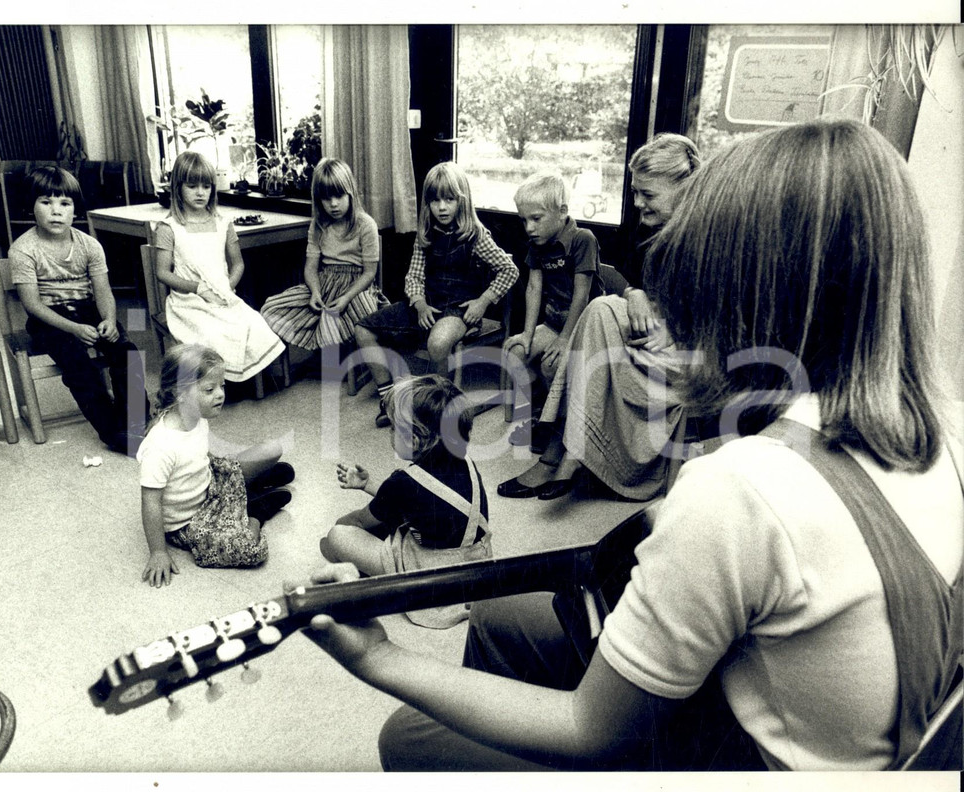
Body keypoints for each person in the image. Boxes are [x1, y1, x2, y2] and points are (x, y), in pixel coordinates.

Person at [300, 119, 963, 770]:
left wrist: (379, 657)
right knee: (503, 612)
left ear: (749, 292)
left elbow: (592, 730)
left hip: (729, 755)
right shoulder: (947, 428)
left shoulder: (745, 489)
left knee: (409, 738)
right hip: (799, 716)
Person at [498, 133, 701, 501]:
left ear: (685, 186)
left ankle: (562, 452)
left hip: (691, 352)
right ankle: (568, 450)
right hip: (650, 335)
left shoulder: (714, 237)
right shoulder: (649, 229)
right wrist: (635, 292)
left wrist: (675, 329)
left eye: (648, 194)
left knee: (596, 311)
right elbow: (620, 277)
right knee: (601, 308)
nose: (638, 202)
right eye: (636, 192)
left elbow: (727, 318)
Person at [354, 161, 518, 428]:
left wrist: (483, 301)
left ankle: (438, 405)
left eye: (449, 199)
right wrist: (418, 304)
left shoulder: (476, 236)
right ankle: (388, 399)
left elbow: (509, 270)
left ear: (461, 201)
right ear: (427, 203)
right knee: (363, 329)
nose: (442, 207)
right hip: (427, 304)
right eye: (435, 200)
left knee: (438, 343)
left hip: (459, 310)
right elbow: (414, 276)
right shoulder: (425, 235)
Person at [321, 374, 492, 627]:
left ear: (413, 440)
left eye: (392, 428)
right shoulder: (466, 463)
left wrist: (340, 534)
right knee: (393, 521)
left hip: (430, 577)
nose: (390, 433)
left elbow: (360, 520)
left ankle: (369, 577)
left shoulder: (402, 482)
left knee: (336, 537)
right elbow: (422, 498)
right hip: (473, 569)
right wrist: (368, 484)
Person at [8, 165, 149, 456]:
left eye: (64, 203)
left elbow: (103, 291)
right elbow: (32, 305)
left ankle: (135, 421)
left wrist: (109, 319)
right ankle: (112, 431)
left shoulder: (90, 245)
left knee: (128, 351)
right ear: (31, 206)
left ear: (75, 209)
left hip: (88, 311)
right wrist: (73, 328)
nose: (56, 211)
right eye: (46, 202)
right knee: (77, 363)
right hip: (48, 319)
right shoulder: (23, 250)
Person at [138, 343, 294, 587]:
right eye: (210, 389)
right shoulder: (160, 446)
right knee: (250, 549)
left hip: (209, 485)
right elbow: (150, 501)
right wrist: (158, 552)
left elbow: (203, 457)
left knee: (273, 448)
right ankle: (257, 511)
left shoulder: (196, 417)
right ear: (179, 393)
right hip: (188, 522)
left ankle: (249, 489)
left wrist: (228, 475)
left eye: (222, 386)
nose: (220, 394)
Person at [154, 151, 284, 391]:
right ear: (178, 188)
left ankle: (243, 380)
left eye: (206, 186)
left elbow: (238, 264)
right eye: (192, 186)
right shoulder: (169, 227)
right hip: (188, 302)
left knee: (253, 322)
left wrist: (228, 286)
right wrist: (198, 289)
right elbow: (162, 273)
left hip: (223, 296)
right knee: (211, 332)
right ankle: (216, 385)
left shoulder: (223, 222)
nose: (201, 192)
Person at [502, 171, 602, 447]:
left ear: (562, 212)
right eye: (524, 220)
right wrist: (527, 333)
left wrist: (564, 338)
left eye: (536, 219)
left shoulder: (583, 239)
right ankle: (541, 412)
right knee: (514, 350)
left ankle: (557, 426)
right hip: (554, 322)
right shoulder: (538, 243)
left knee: (552, 364)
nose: (529, 228)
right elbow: (533, 288)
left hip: (583, 326)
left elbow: (581, 296)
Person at [260, 158, 387, 373]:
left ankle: (340, 358)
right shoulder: (318, 225)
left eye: (339, 196)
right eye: (326, 199)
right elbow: (311, 267)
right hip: (324, 281)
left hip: (358, 286)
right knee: (271, 307)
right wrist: (315, 293)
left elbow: (370, 273)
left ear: (350, 193)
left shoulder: (366, 224)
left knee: (360, 313)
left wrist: (346, 298)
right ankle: (324, 352)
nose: (334, 204)